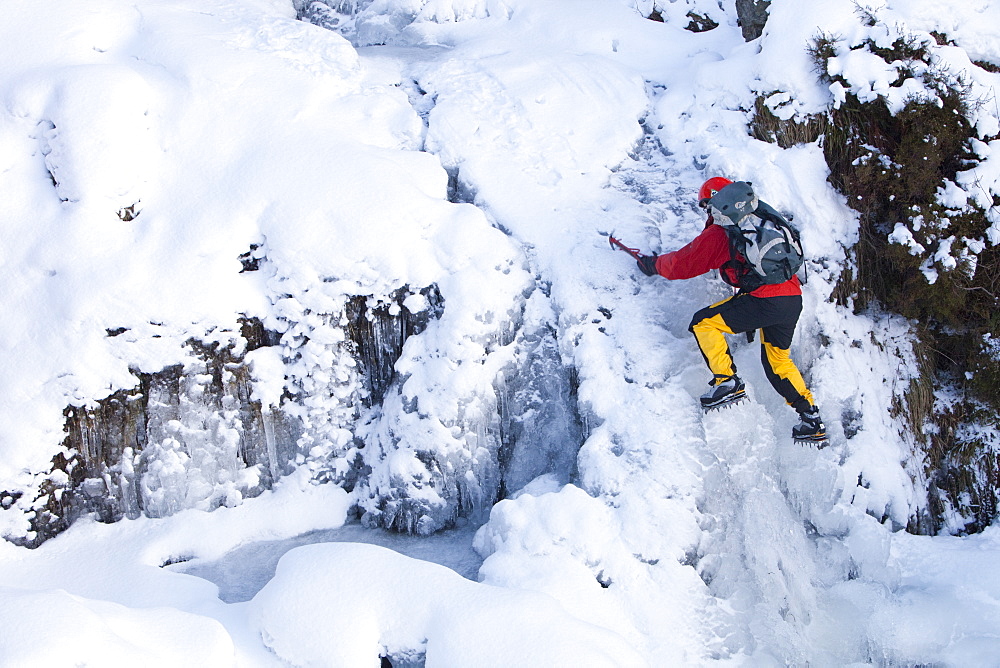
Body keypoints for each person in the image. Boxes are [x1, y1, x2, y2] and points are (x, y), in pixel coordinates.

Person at [636, 177, 826, 444]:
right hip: (791, 298)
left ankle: (726, 381)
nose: (708, 213)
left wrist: (654, 265)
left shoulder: (723, 232)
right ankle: (811, 420)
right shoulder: (762, 219)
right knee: (778, 362)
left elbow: (685, 263)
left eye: (706, 206)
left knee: (704, 323)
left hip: (765, 299)